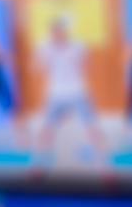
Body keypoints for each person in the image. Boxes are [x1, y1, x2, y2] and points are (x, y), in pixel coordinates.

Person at [34, 16, 103, 166]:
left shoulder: (77, 46)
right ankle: (38, 163)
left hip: (77, 91)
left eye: (60, 30)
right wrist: (47, 52)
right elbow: (39, 67)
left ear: (64, 31)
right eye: (54, 31)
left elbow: (86, 62)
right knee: (46, 128)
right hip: (55, 93)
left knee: (92, 127)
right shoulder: (44, 46)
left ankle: (104, 166)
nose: (57, 34)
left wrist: (72, 56)